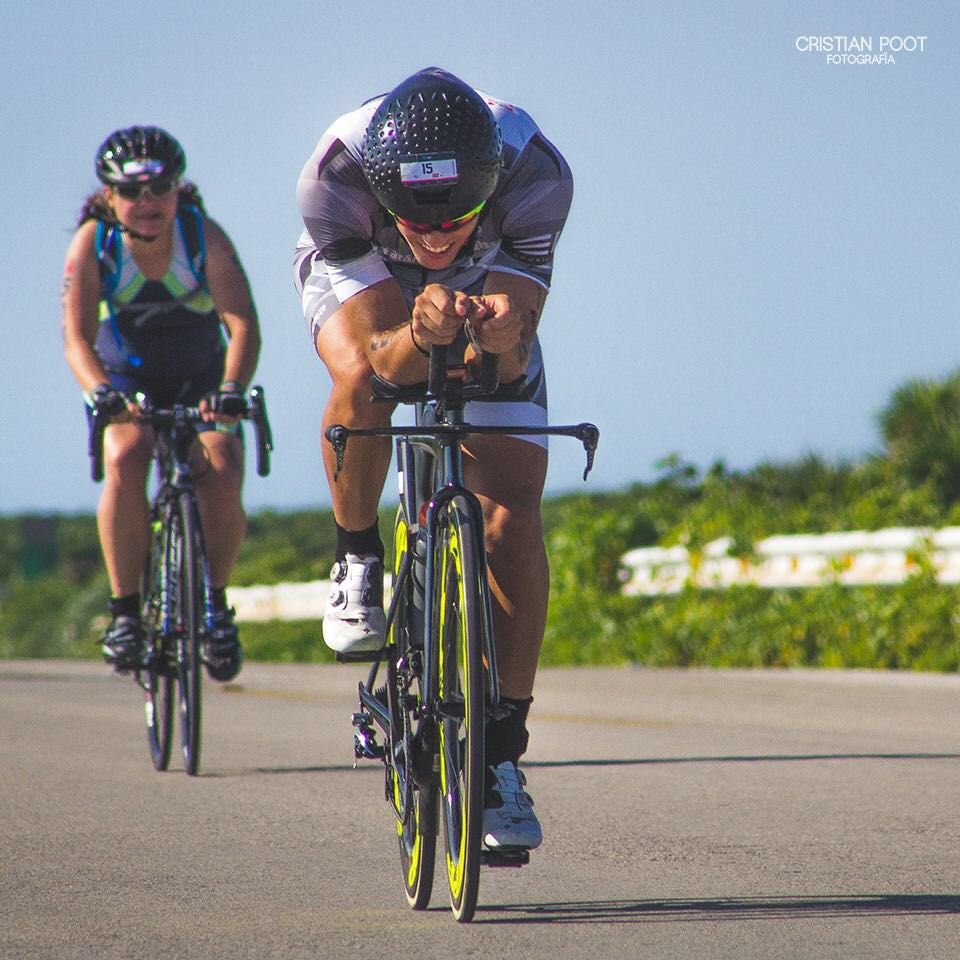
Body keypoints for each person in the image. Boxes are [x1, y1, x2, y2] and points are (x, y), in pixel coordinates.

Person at [295, 68, 572, 849]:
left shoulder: (535, 175)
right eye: (421, 217)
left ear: (489, 187)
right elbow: (382, 361)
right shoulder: (335, 181)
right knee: (364, 380)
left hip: (493, 282)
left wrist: (498, 336)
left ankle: (500, 756)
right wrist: (418, 335)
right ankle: (356, 556)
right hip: (370, 281)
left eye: (459, 214)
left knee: (511, 517)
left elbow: (511, 362)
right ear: (388, 196)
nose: (440, 232)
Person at [62, 126, 261, 682]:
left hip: (201, 376)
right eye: (131, 192)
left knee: (220, 471)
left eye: (160, 190)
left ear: (178, 189)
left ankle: (215, 605)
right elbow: (77, 337)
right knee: (126, 457)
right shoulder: (94, 243)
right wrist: (104, 394)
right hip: (125, 378)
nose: (146, 204)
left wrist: (229, 392)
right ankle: (125, 611)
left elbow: (242, 323)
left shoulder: (203, 236)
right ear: (108, 196)